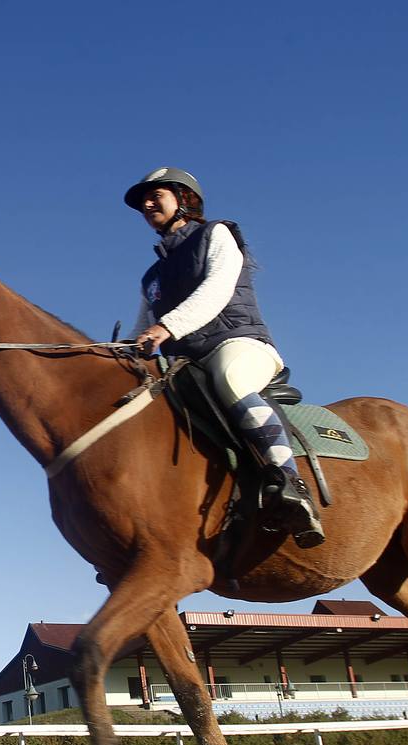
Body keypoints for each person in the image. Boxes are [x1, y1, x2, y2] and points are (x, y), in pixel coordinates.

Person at [123, 167, 324, 548]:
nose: (147, 204)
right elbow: (140, 327)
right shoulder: (151, 275)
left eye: (156, 196)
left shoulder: (216, 234)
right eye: (143, 202)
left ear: (185, 199)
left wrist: (167, 328)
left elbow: (216, 290)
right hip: (184, 362)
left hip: (238, 344)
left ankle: (290, 484)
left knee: (230, 378)